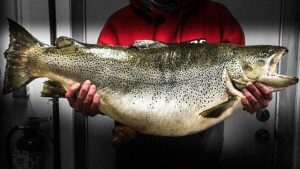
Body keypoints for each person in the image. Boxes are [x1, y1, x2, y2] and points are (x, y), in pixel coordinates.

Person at [65, 0, 273, 168]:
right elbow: (106, 94)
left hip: (202, 155)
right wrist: (89, 103)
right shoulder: (119, 23)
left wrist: (249, 99)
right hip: (135, 154)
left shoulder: (218, 18)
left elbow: (237, 91)